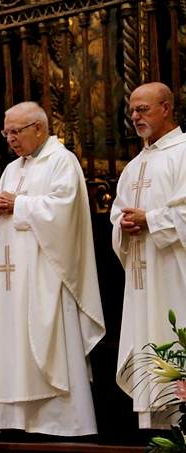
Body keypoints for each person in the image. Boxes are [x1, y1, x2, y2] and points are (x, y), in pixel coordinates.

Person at [0, 101, 105, 436]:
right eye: (6, 133)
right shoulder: (11, 169)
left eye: (15, 132)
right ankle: (14, 421)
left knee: (46, 339)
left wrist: (17, 205)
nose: (10, 139)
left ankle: (62, 423)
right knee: (12, 340)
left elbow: (63, 212)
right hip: (10, 278)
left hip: (45, 275)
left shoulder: (61, 162)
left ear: (39, 128)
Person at [111, 82, 186, 429]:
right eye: (132, 111)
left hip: (174, 270)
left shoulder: (184, 151)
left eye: (143, 109)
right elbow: (117, 212)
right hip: (143, 272)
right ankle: (157, 431)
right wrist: (123, 224)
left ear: (167, 108)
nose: (135, 117)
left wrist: (150, 220)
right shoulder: (134, 165)